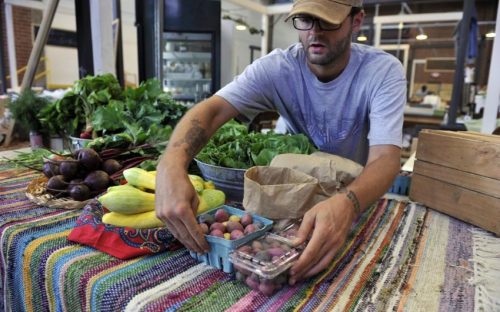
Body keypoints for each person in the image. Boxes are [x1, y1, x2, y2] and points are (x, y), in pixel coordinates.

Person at [156, 0, 406, 286]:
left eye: (328, 21)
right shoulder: (278, 68)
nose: (314, 32)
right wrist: (171, 164)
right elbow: (212, 110)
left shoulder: (383, 72)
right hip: (292, 198)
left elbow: (386, 159)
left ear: (357, 20)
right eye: (305, 20)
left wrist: (347, 203)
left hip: (355, 195)